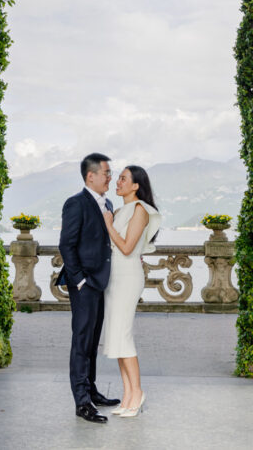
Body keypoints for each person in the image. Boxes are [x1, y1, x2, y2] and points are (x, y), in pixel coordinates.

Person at [56, 153, 122, 424]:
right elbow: (66, 245)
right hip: (84, 285)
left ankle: (92, 390)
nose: (110, 177)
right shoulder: (75, 203)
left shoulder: (108, 203)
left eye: (110, 172)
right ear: (90, 176)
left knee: (93, 340)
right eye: (106, 172)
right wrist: (80, 280)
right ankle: (82, 402)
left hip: (100, 281)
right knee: (81, 342)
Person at [101, 165, 161, 419]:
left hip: (127, 277)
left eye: (124, 178)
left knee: (123, 336)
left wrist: (108, 225)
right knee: (116, 336)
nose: (118, 181)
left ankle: (137, 392)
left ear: (136, 185)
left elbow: (126, 247)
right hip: (114, 278)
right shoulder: (119, 210)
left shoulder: (140, 210)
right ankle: (127, 395)